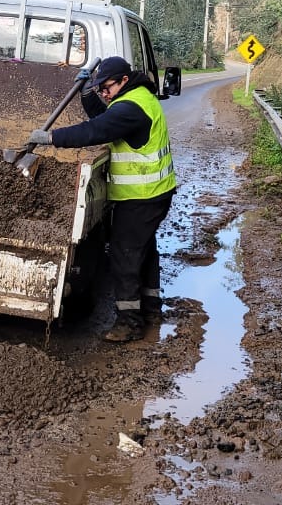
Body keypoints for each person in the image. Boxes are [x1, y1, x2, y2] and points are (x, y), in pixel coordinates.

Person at [27, 56, 176, 342]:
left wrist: (52, 137)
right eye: (100, 90)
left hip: (143, 197)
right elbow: (105, 119)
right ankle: (151, 308)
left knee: (125, 256)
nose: (104, 94)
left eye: (106, 88)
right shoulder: (136, 97)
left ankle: (130, 323)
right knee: (144, 251)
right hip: (153, 193)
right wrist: (86, 95)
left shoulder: (132, 107)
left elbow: (96, 130)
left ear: (123, 80)